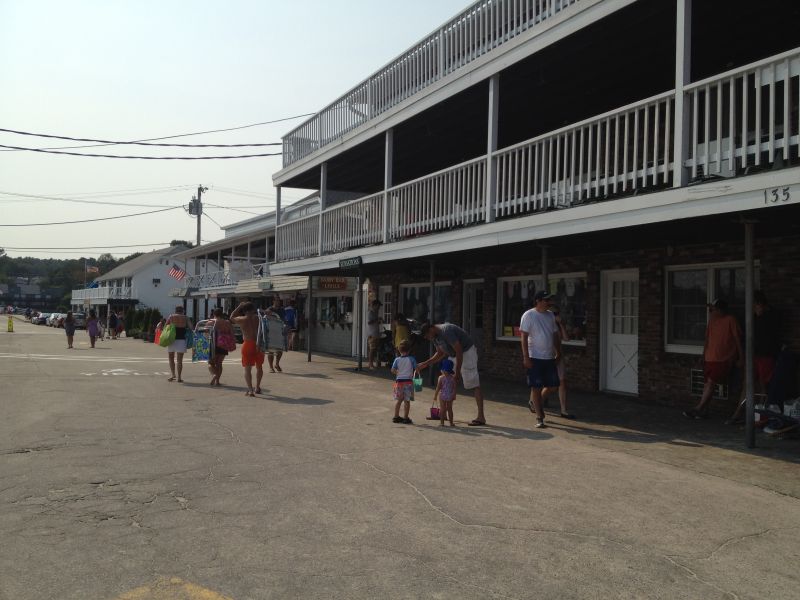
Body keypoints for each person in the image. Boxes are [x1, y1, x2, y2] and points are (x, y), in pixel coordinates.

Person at [726, 291, 781, 424]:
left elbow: (772, 337)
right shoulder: (753, 317)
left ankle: (760, 414)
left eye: (753, 305)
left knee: (763, 385)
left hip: (766, 355)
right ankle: (738, 413)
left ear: (759, 304)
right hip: (753, 355)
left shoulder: (772, 316)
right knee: (747, 383)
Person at [684, 298, 743, 419]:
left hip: (723, 358)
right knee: (707, 384)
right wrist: (703, 355)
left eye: (713, 309)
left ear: (720, 310)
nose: (710, 312)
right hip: (709, 357)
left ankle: (698, 408)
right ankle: (704, 411)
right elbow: (707, 339)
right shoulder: (711, 321)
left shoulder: (730, 320)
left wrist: (741, 357)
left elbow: (738, 339)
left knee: (711, 383)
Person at [417, 322, 486, 426]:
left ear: (431, 329)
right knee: (446, 379)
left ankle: (481, 417)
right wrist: (425, 364)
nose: (427, 338)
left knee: (474, 384)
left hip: (467, 352)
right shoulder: (435, 337)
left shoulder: (446, 331)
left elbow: (459, 350)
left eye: (427, 336)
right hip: (454, 354)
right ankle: (443, 413)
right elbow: (440, 353)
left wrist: (457, 373)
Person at [519, 290, 562, 429]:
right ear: (538, 301)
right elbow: (524, 337)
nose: (549, 302)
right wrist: (526, 357)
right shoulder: (529, 315)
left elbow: (554, 335)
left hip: (549, 357)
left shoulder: (550, 316)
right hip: (534, 357)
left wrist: (558, 352)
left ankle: (534, 402)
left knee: (553, 386)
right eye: (546, 300)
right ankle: (540, 417)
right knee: (536, 387)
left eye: (549, 300)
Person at [542, 308, 576, 419]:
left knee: (562, 382)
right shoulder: (545, 325)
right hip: (547, 356)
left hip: (559, 356)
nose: (556, 316)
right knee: (549, 385)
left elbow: (566, 338)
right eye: (554, 314)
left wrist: (561, 324)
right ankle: (536, 402)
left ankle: (563, 409)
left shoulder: (558, 326)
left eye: (557, 314)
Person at [230, 301, 264, 396]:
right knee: (259, 367)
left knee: (247, 369)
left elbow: (231, 317)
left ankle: (250, 390)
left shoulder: (242, 319)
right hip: (258, 344)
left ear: (244, 310)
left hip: (248, 344)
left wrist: (239, 307)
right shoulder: (258, 318)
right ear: (253, 309)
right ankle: (257, 387)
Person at [390, 339, 417, 424]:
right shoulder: (411, 359)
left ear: (399, 350)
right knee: (407, 401)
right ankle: (405, 418)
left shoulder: (397, 359)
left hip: (398, 382)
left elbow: (392, 370)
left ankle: (396, 416)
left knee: (399, 400)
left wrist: (398, 372)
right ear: (409, 350)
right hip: (408, 382)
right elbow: (416, 368)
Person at [165, 305, 191, 383]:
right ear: (183, 310)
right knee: (180, 360)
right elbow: (191, 327)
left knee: (171, 358)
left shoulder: (171, 316)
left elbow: (166, 326)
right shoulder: (186, 317)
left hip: (171, 339)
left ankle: (173, 375)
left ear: (175, 310)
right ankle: (179, 377)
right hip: (181, 340)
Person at [209, 308, 234, 387]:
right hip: (224, 343)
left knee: (211, 363)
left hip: (213, 344)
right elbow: (232, 333)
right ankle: (217, 381)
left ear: (214, 314)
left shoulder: (211, 322)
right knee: (219, 363)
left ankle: (214, 375)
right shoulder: (227, 322)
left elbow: (205, 333)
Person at [433, 358, 457, 427]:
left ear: (443, 370)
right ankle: (451, 423)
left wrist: (435, 395)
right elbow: (454, 388)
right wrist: (454, 395)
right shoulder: (453, 378)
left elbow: (438, 387)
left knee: (442, 409)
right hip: (450, 395)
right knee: (450, 409)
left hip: (442, 395)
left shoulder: (441, 378)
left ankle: (442, 423)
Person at [265, 297, 284, 373]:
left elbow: (283, 319)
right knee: (271, 350)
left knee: (280, 350)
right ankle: (271, 367)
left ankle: (277, 364)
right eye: (277, 301)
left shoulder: (282, 310)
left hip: (279, 331)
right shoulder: (269, 309)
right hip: (271, 332)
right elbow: (266, 318)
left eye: (279, 301)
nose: (278, 302)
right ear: (273, 301)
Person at [367, 299, 383, 369]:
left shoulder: (375, 313)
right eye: (378, 306)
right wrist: (377, 319)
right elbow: (369, 322)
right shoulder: (371, 313)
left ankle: (376, 362)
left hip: (376, 334)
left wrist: (379, 321)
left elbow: (375, 323)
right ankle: (370, 364)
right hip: (372, 334)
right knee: (372, 349)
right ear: (374, 305)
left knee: (375, 349)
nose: (379, 308)